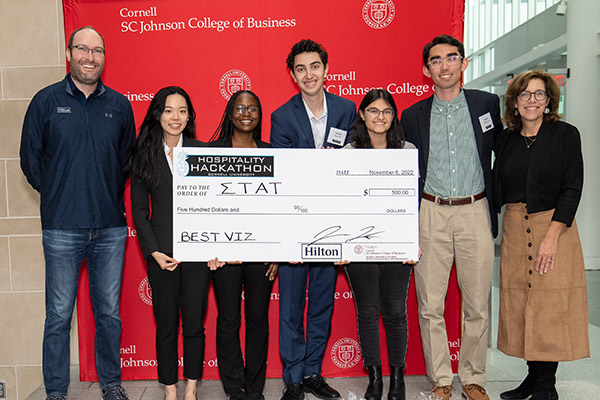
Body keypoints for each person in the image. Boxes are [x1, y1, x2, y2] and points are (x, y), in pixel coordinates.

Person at [19, 26, 135, 400]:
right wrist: (56, 193)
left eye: (97, 50)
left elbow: (126, 161)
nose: (90, 57)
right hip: (61, 228)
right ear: (69, 53)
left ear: (104, 56)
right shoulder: (46, 101)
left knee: (108, 316)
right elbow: (29, 159)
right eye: (82, 49)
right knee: (58, 317)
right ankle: (55, 391)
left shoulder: (119, 105)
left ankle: (111, 384)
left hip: (110, 229)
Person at [400, 34, 502, 400]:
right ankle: (441, 378)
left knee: (477, 301)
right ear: (426, 69)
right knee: (430, 304)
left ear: (464, 63)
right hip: (431, 211)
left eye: (451, 58)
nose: (444, 66)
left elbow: (501, 157)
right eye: (436, 60)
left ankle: (473, 376)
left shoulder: (487, 105)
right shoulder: (412, 115)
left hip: (475, 209)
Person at [494, 70, 589, 400]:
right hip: (516, 226)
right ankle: (533, 379)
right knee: (523, 303)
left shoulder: (565, 135)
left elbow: (573, 187)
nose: (531, 100)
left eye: (539, 94)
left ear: (550, 101)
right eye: (524, 94)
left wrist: (552, 236)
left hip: (554, 225)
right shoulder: (506, 139)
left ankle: (547, 386)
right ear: (515, 102)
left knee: (549, 305)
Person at [270, 39, 356, 400]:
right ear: (293, 74)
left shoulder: (347, 110)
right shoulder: (281, 116)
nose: (309, 74)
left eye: (315, 66)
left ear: (325, 68)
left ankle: (312, 373)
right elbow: (283, 173)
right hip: (295, 222)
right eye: (301, 68)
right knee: (290, 305)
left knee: (322, 302)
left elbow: (355, 163)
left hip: (332, 224)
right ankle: (292, 379)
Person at [130, 86, 210, 400]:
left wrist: (212, 247)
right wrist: (153, 252)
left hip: (197, 254)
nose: (175, 117)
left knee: (194, 322)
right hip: (161, 254)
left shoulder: (202, 151)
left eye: (181, 110)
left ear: (189, 115)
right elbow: (138, 209)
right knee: (165, 325)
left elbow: (214, 207)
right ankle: (170, 389)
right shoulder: (144, 153)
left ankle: (191, 387)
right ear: (157, 114)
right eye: (168, 110)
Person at [342, 89, 416, 400]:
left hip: (397, 244)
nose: (380, 117)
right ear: (362, 114)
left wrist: (414, 241)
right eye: (373, 110)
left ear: (393, 116)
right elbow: (339, 203)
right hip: (359, 245)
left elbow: (413, 201)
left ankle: (397, 376)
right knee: (368, 312)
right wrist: (341, 246)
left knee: (396, 312)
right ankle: (375, 377)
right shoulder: (347, 152)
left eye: (386, 111)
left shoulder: (406, 149)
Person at [207, 90, 278, 400]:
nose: (246, 113)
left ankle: (255, 387)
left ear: (259, 115)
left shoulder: (271, 152)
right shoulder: (212, 153)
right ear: (229, 113)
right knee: (229, 318)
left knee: (258, 319)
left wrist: (279, 249)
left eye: (252, 108)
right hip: (224, 252)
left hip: (262, 252)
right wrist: (208, 246)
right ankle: (234, 386)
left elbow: (281, 206)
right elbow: (202, 206)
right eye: (239, 108)